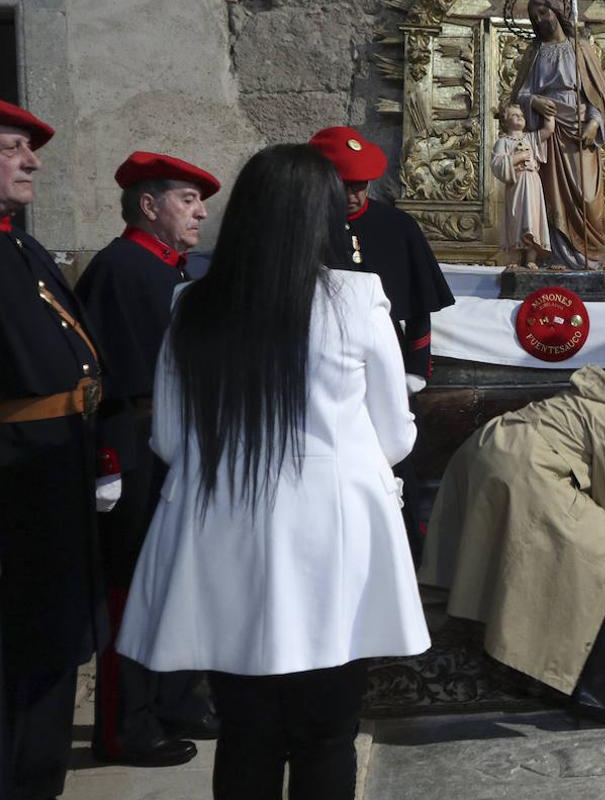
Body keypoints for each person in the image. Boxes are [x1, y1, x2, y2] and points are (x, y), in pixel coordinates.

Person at [115, 143, 431, 798]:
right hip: (331, 536)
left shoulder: (193, 302)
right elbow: (395, 435)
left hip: (225, 532)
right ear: (319, 217)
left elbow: (170, 438)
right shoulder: (356, 296)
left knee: (246, 730)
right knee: (325, 731)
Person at [420, 366, 605, 727]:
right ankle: (591, 687)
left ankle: (536, 670)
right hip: (522, 467)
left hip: (490, 448)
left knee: (539, 560)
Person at [75, 151, 223, 766]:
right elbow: (102, 378)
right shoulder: (119, 268)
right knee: (131, 588)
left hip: (177, 445)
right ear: (149, 205)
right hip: (135, 450)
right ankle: (124, 724)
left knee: (179, 579)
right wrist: (108, 461)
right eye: (187, 199)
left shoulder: (175, 270)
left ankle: (176, 698)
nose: (200, 211)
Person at [0, 100, 108, 799]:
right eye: (13, 147)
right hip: (13, 482)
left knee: (50, 639)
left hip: (49, 472)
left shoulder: (20, 245)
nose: (33, 159)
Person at [309, 125, 454, 564]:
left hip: (388, 365)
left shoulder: (396, 226)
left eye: (360, 185)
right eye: (344, 186)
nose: (353, 195)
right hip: (329, 374)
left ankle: (406, 549)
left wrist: (415, 368)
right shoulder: (304, 228)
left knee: (397, 464)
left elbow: (419, 306)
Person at [512, 0, 605, 269]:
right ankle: (556, 256)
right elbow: (519, 95)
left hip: (580, 127)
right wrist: (534, 100)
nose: (540, 20)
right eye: (534, 18)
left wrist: (594, 124)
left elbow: (598, 96)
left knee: (587, 197)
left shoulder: (579, 48)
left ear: (557, 12)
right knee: (551, 194)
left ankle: (590, 257)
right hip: (550, 129)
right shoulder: (535, 53)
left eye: (543, 13)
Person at [491, 102, 553, 268]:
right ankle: (515, 259)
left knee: (533, 219)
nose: (519, 117)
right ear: (505, 121)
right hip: (516, 184)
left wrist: (549, 109)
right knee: (516, 218)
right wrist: (519, 157)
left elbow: (549, 130)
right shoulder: (503, 142)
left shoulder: (530, 138)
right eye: (514, 115)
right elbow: (497, 164)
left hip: (532, 182)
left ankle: (531, 259)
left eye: (521, 115)